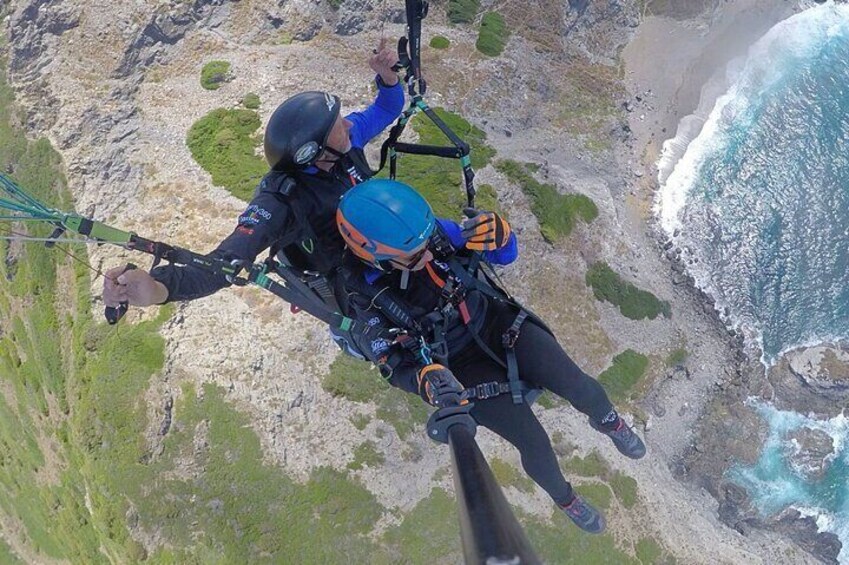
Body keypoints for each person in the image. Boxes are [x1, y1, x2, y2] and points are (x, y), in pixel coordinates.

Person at [335, 178, 646, 534]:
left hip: (498, 324)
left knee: (583, 388)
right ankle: (565, 498)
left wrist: (503, 236)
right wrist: (425, 381)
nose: (430, 253)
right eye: (416, 255)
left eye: (427, 242)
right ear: (379, 257)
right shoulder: (362, 296)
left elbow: (503, 255)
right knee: (534, 443)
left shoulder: (428, 235)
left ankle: (611, 423)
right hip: (459, 368)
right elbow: (390, 362)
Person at [102, 39, 404, 317]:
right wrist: (157, 289)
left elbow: (386, 108)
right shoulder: (281, 201)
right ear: (317, 151)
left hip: (387, 242)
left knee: (451, 238)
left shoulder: (345, 141)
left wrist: (388, 80)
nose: (348, 124)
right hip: (357, 278)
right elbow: (224, 263)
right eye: (338, 124)